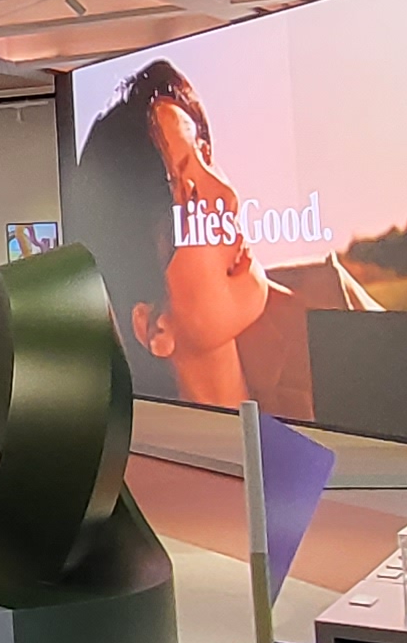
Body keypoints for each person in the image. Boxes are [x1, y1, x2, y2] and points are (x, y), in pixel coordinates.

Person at [71, 60, 368, 414]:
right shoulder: (134, 441)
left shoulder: (331, 301)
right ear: (155, 328)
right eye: (188, 196)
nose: (228, 195)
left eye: (206, 156)